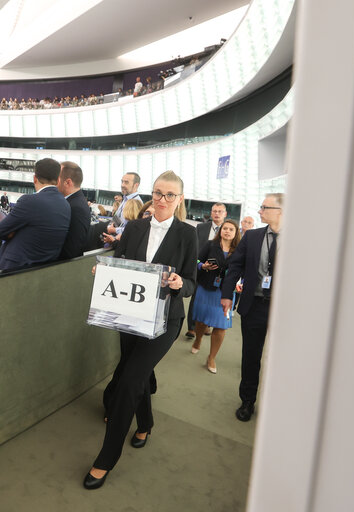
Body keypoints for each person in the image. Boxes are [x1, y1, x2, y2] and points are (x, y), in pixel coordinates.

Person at [84, 170, 197, 490]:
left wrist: (178, 283)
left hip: (165, 322)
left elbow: (191, 282)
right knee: (140, 375)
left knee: (128, 381)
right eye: (158, 193)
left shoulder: (188, 235)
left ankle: (106, 459)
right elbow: (120, 267)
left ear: (179, 200)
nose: (162, 200)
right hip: (130, 317)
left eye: (169, 195)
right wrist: (103, 273)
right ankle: (145, 422)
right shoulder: (134, 228)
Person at [220, 193, 284, 422]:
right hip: (255, 305)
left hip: (286, 311)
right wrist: (227, 294)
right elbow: (235, 266)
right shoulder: (253, 237)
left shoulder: (301, 238)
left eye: (264, 207)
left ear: (281, 211)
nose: (259, 211)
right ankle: (248, 400)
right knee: (251, 356)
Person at [0, 158, 71, 271]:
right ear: (58, 180)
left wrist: (14, 232)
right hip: (41, 272)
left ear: (35, 178)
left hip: (14, 271)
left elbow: (0, 231)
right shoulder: (66, 205)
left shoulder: (29, 201)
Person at [189, 219, 241, 373]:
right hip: (206, 287)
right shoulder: (210, 244)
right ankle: (198, 340)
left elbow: (243, 269)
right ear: (221, 230)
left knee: (221, 325)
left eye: (231, 229)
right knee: (201, 320)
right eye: (225, 228)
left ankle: (211, 357)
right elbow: (196, 259)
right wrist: (202, 265)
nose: (227, 231)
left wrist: (241, 281)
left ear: (236, 232)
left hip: (226, 291)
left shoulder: (239, 250)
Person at [184, 202, 228, 340]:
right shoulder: (201, 227)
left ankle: (205, 325)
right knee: (195, 296)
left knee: (211, 299)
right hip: (201, 267)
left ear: (225, 214)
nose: (216, 213)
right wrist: (199, 264)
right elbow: (195, 249)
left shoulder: (229, 230)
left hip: (219, 273)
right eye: (214, 211)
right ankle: (192, 328)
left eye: (220, 211)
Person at [56, 161, 90, 260]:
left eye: (57, 179)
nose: (54, 183)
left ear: (68, 182)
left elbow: (71, 249)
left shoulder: (76, 207)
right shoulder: (73, 202)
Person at [107, 173, 141, 238]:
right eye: (122, 182)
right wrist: (110, 227)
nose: (122, 185)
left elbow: (133, 230)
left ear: (136, 185)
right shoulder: (125, 199)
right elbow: (116, 218)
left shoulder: (136, 203)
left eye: (126, 182)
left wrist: (115, 230)